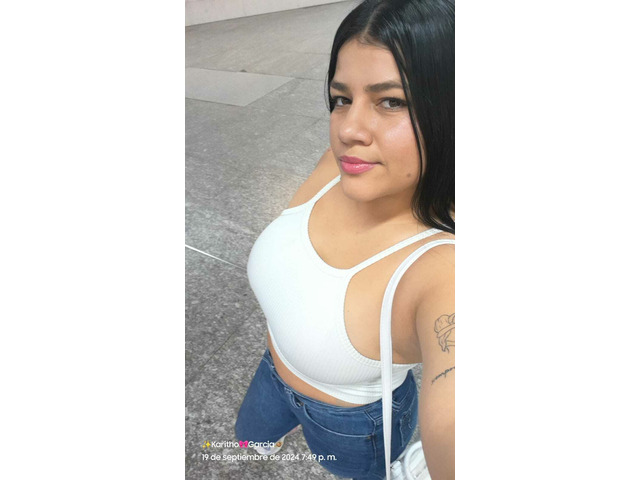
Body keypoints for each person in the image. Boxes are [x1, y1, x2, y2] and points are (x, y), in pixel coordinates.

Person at [235, 1, 454, 478]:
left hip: (353, 424)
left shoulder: (444, 268)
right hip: (271, 372)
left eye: (391, 101)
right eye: (341, 98)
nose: (348, 129)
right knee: (244, 441)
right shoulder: (346, 165)